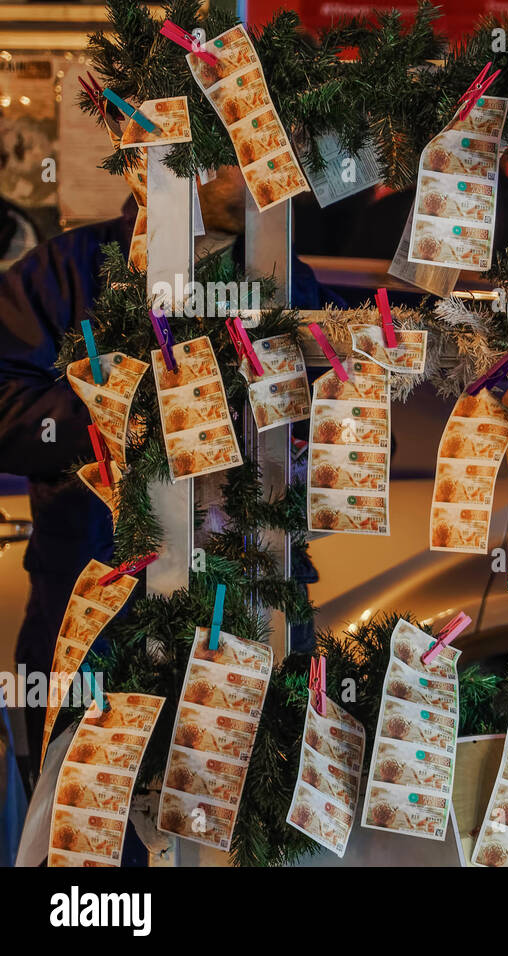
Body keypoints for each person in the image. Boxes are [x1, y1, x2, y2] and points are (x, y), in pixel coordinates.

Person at [0, 166, 341, 789]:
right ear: (187, 161)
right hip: (96, 613)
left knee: (243, 816)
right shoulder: (70, 269)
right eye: (245, 155)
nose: (274, 176)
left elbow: (345, 428)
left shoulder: (286, 279)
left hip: (249, 610)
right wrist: (128, 414)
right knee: (91, 837)